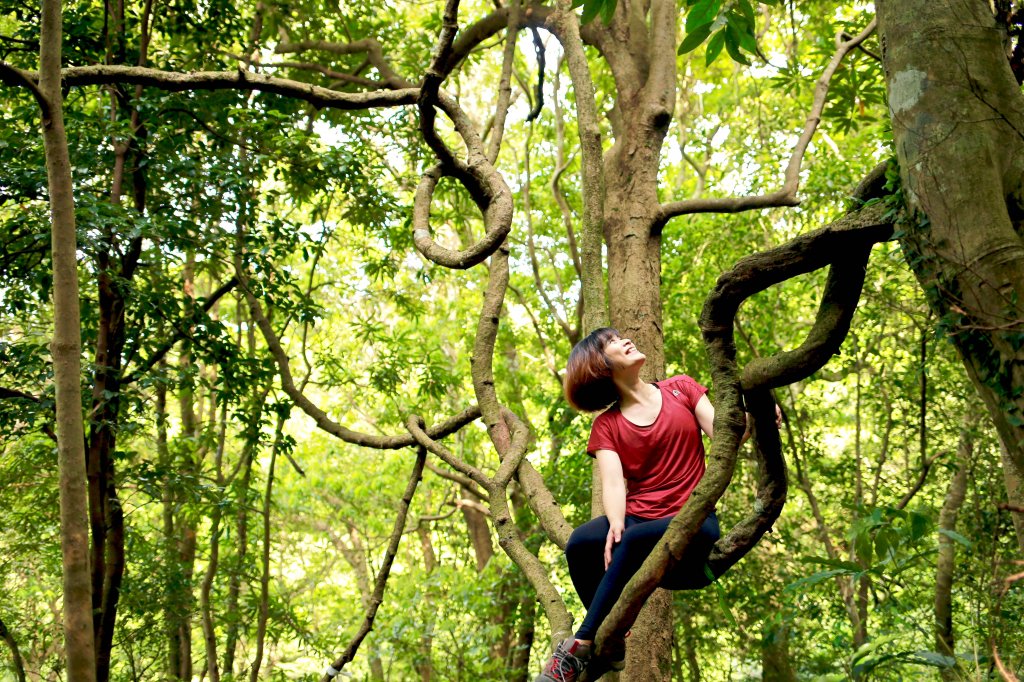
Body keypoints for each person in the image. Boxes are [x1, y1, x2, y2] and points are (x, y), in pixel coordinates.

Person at [535, 327, 732, 682]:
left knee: (633, 540)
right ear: (600, 366)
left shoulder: (681, 388)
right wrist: (614, 524)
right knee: (581, 543)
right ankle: (615, 637)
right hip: (641, 519)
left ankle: (581, 642)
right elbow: (613, 483)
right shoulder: (607, 425)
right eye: (611, 342)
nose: (624, 340)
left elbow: (727, 433)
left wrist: (761, 418)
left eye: (621, 336)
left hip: (694, 521)